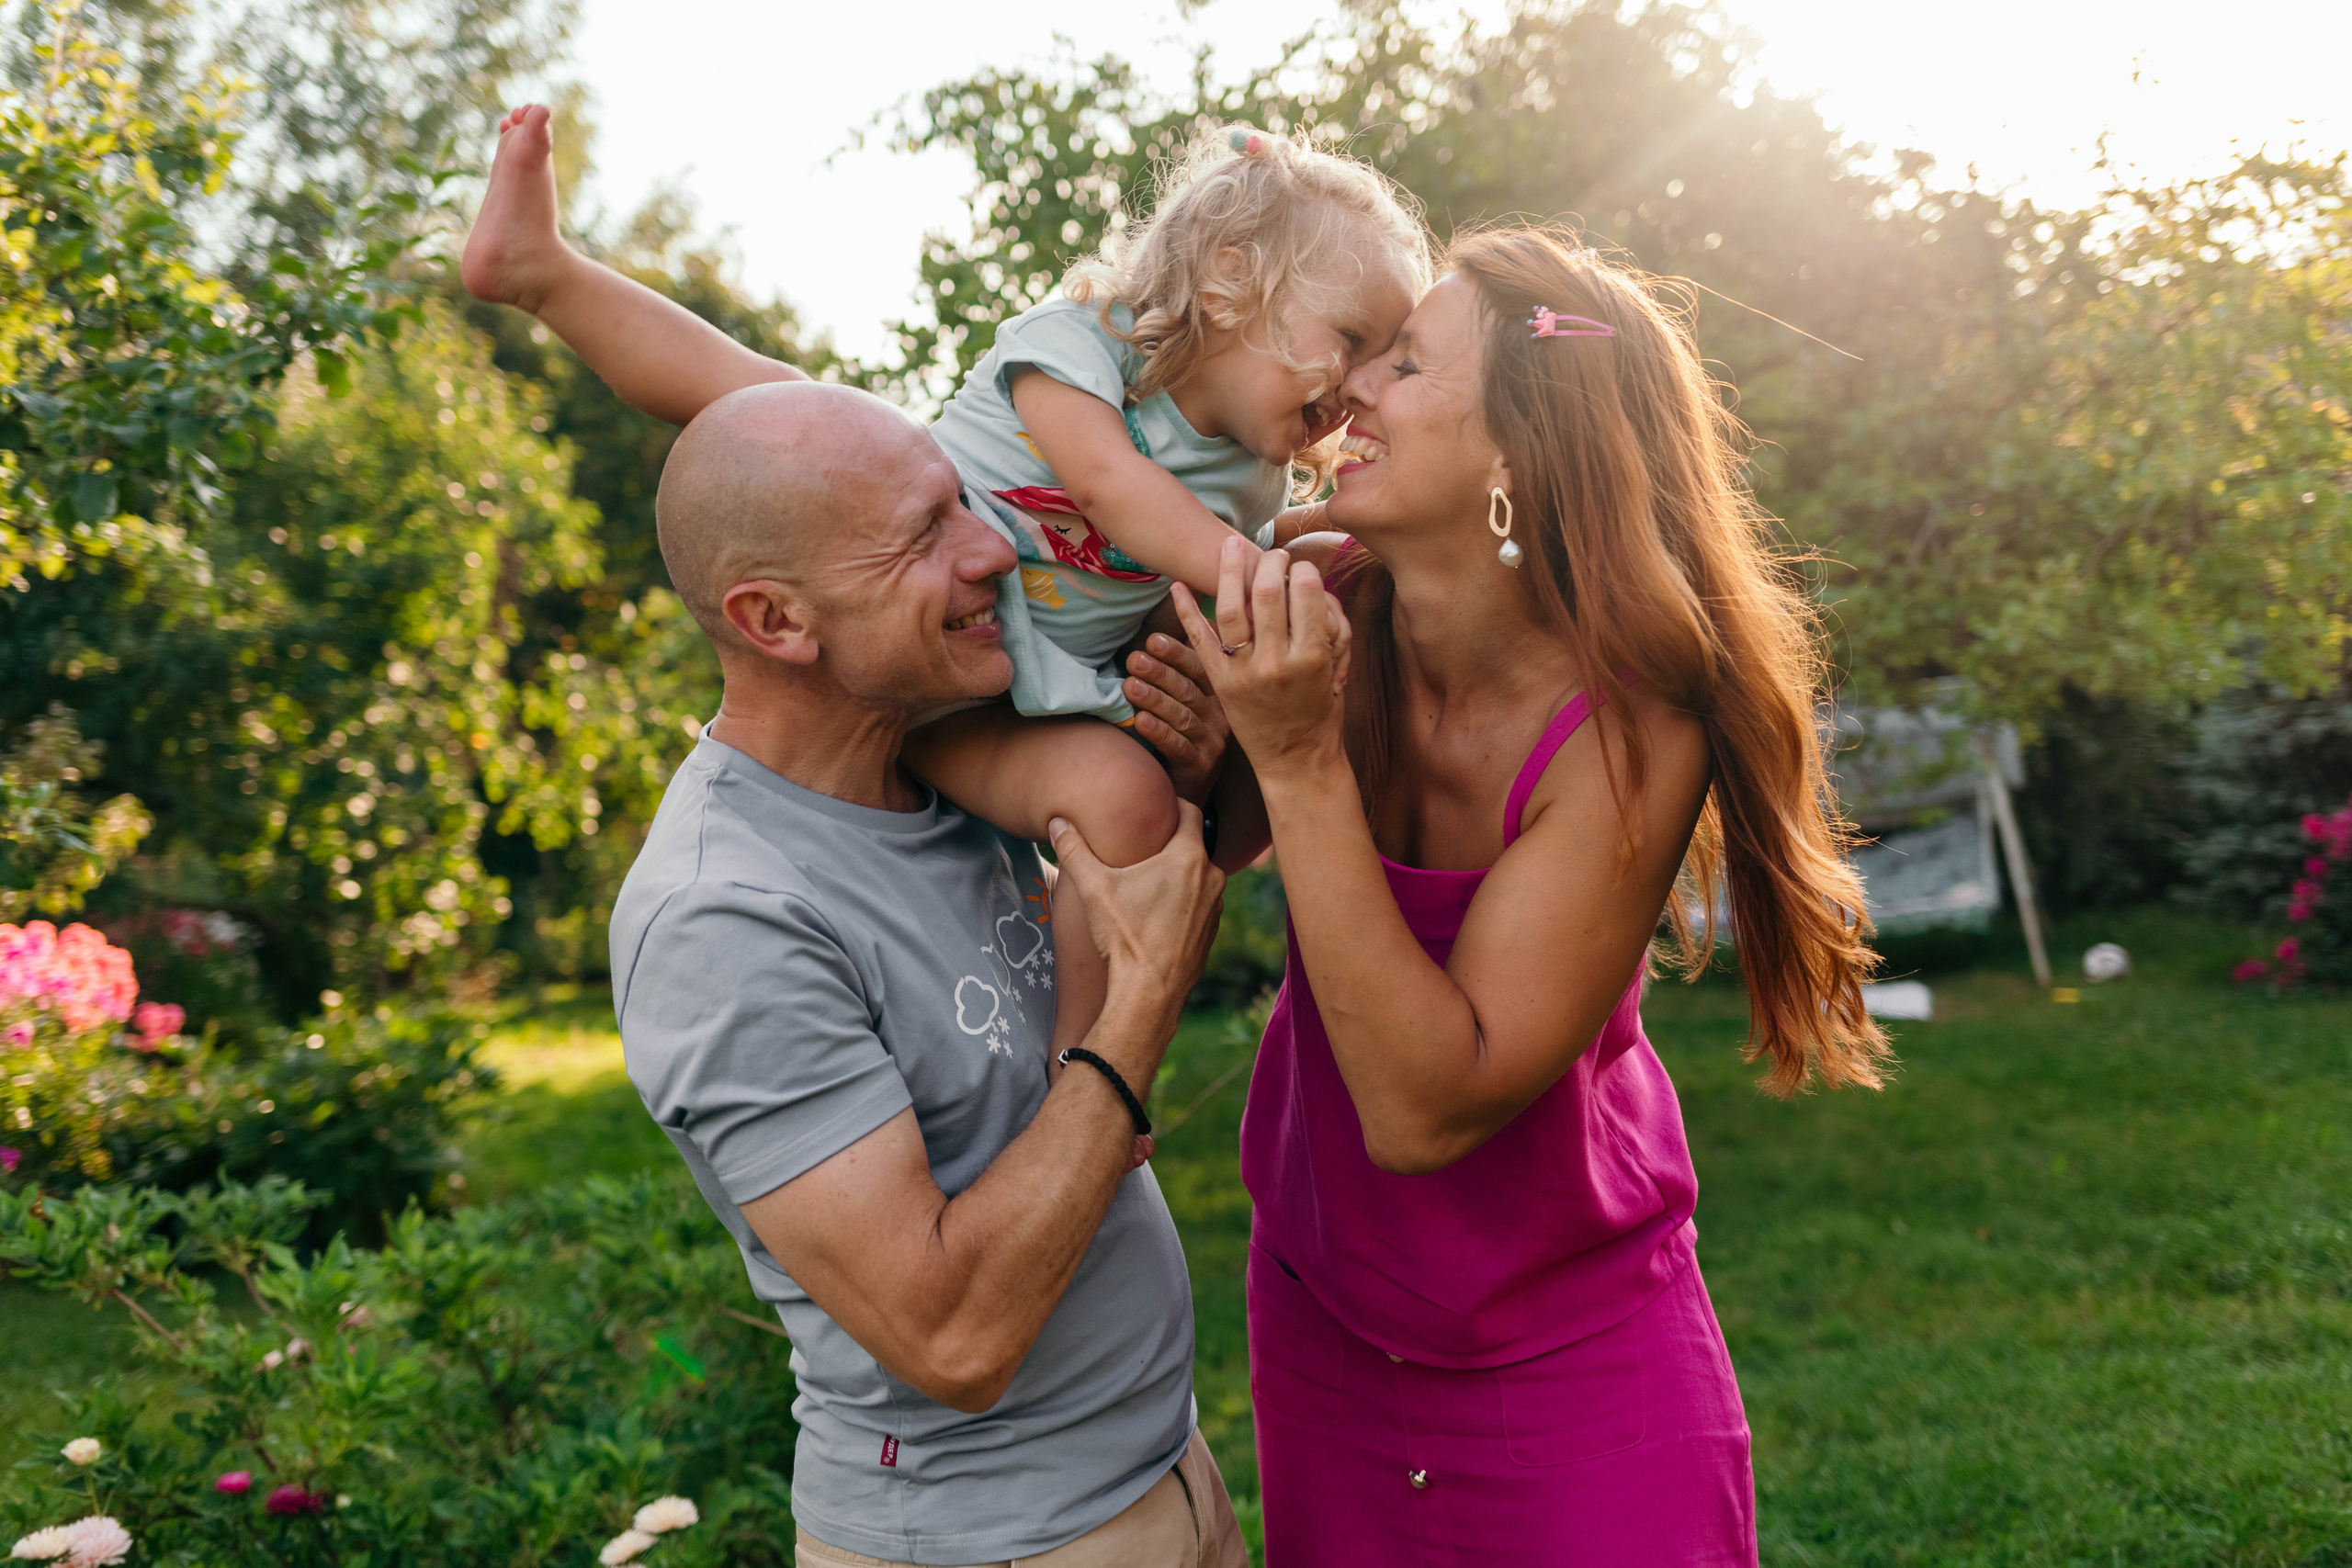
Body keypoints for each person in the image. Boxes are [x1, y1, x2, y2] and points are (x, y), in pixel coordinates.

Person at [1179, 225, 1892, 1564]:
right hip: (1325, 1321)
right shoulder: (1330, 596)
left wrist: (1298, 758)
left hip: (1566, 1353)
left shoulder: (1630, 728)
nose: (1352, 393)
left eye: (1403, 362)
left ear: (1516, 452)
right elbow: (1201, 840)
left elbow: (1424, 1105)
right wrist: (1194, 732)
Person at [462, 105, 1425, 1029]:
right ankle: (540, 272)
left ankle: (1088, 1061)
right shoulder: (1084, 343)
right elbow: (1109, 487)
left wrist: (1331, 543)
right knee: (780, 405)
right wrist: (1266, 579)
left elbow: (1221, 554)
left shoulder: (1251, 468)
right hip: (915, 643)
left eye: (1389, 361)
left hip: (1007, 705)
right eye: (1350, 340)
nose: (1362, 384)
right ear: (1226, 281)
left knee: (1131, 806)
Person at [608, 378, 1247, 1567]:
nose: (995, 547)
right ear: (777, 621)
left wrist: (1190, 777)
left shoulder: (958, 759)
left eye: (964, 499)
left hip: (1160, 1470)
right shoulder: (725, 917)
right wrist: (1149, 1002)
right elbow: (952, 1337)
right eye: (924, 533)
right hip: (994, 1538)